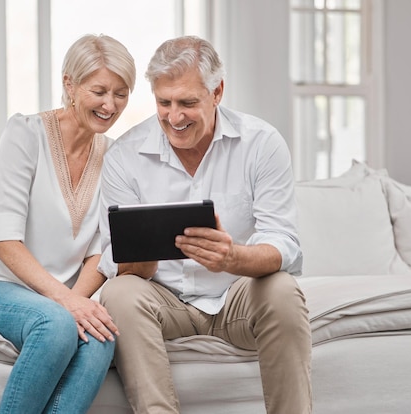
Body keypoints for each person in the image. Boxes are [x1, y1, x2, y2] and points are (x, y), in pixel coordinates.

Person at [98, 35, 312, 414]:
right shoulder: (124, 156)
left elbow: (284, 244)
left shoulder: (262, 144)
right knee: (120, 293)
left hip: (236, 297)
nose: (174, 117)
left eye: (188, 103)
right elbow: (115, 258)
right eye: (164, 102)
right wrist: (141, 258)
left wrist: (232, 257)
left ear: (218, 92)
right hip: (164, 301)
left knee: (282, 288)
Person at [0, 34, 136, 414]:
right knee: (57, 324)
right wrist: (67, 303)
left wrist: (78, 302)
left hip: (57, 298)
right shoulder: (25, 133)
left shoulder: (116, 156)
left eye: (121, 93)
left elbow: (102, 250)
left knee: (101, 336)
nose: (110, 105)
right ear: (70, 84)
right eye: (99, 90)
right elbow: (4, 240)